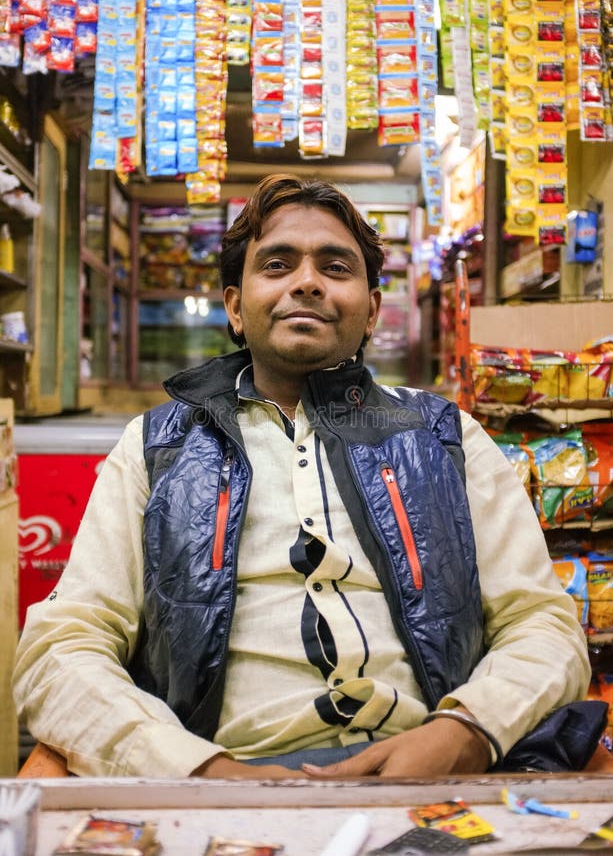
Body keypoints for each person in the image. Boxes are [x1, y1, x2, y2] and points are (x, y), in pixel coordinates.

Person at [13, 174, 590, 780]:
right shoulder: (158, 446)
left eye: (336, 267)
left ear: (371, 311)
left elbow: (541, 622)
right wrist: (196, 768)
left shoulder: (445, 435)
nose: (307, 281)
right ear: (236, 308)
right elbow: (63, 645)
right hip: (226, 779)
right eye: (278, 263)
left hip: (430, 769)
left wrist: (466, 731)